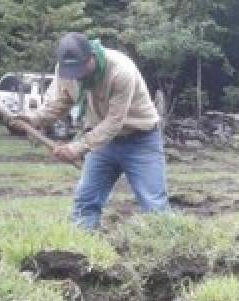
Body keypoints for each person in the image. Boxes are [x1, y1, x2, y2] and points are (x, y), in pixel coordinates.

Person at [11, 32, 168, 230]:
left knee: (153, 202)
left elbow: (114, 122)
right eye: (71, 71)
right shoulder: (66, 70)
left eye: (80, 69)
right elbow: (60, 102)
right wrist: (34, 118)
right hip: (101, 143)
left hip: (140, 140)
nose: (76, 75)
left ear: (91, 56)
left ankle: (169, 253)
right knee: (86, 201)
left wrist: (78, 147)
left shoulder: (120, 70)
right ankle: (81, 251)